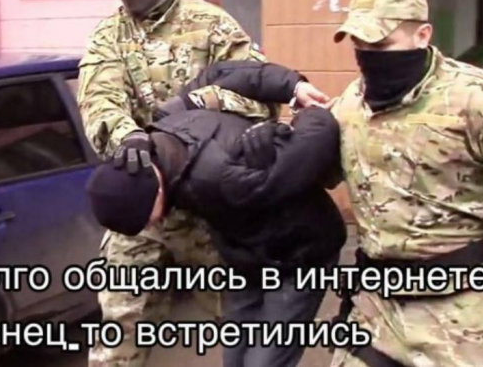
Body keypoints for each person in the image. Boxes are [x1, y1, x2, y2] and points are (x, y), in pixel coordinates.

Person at [77, 0, 328, 367]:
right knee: (120, 325)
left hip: (210, 201)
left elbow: (256, 95)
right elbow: (99, 99)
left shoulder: (211, 25)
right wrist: (128, 138)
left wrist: (198, 105)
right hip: (143, 196)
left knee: (236, 317)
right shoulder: (108, 37)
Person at [86, 59, 347, 367]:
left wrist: (306, 113)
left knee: (263, 363)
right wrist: (291, 86)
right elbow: (219, 76)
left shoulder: (221, 178)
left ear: (155, 192)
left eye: (146, 218)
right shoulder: (165, 123)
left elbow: (316, 141)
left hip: (300, 256)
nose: (151, 224)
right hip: (244, 258)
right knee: (235, 359)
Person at [328, 0, 483, 367]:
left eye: (380, 45)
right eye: (359, 45)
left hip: (466, 314)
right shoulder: (351, 102)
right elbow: (317, 172)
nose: (367, 56)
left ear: (422, 35)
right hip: (379, 310)